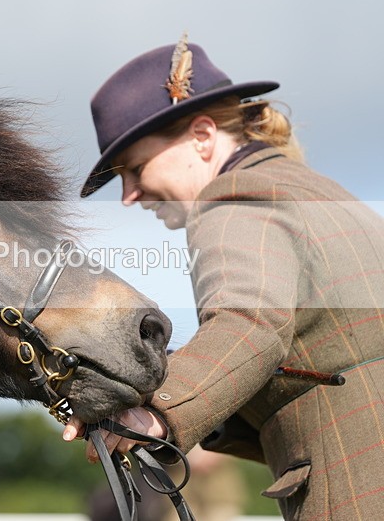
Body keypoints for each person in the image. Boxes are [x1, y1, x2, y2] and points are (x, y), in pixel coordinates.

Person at [63, 35, 384, 520]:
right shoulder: (322, 193)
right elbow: (324, 370)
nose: (128, 195)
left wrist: (156, 414)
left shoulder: (231, 203)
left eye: (135, 167)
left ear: (203, 136)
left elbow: (249, 323)